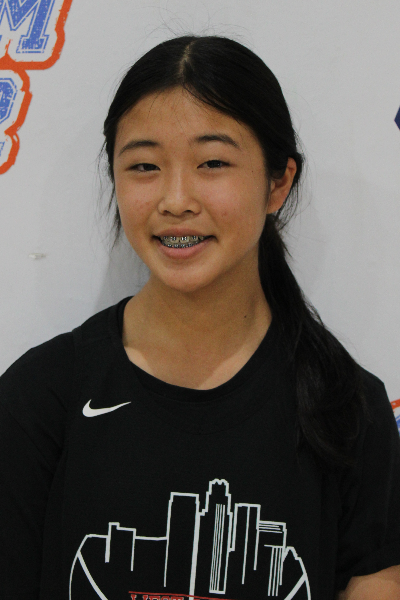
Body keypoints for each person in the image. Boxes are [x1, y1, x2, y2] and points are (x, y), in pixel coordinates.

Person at [1, 35, 400, 600]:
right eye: (144, 166)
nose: (176, 199)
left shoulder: (347, 408)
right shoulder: (42, 397)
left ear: (278, 182)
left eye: (212, 163)